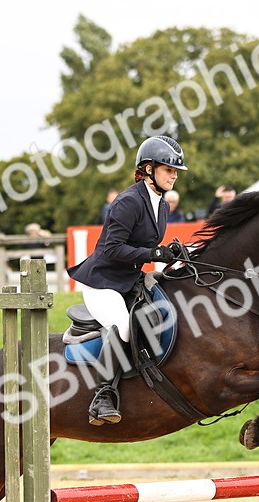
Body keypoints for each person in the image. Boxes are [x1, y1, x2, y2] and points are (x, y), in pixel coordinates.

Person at [67, 134, 189, 425]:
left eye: (175, 171)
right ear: (149, 169)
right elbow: (112, 248)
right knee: (122, 326)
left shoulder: (162, 205)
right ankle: (103, 395)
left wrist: (169, 253)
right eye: (168, 169)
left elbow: (147, 246)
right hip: (103, 281)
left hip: (129, 278)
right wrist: (154, 253)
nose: (174, 175)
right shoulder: (128, 201)